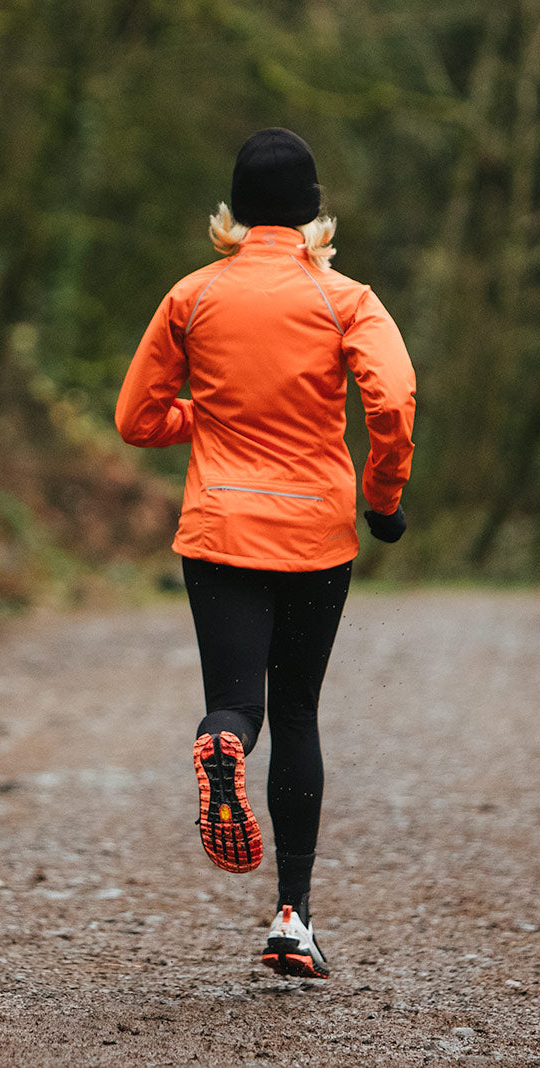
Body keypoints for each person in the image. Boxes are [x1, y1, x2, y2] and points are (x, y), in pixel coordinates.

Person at [115, 127, 415, 979]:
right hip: (315, 534)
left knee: (239, 708)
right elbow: (390, 399)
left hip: (218, 530)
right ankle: (292, 918)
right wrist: (383, 499)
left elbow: (137, 418)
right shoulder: (345, 299)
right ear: (315, 213)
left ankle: (217, 743)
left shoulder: (192, 296)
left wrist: (202, 418)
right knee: (299, 715)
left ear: (235, 214)